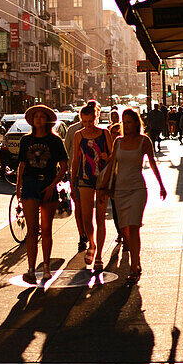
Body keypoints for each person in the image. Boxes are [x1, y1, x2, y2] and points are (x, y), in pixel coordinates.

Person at [100, 107, 166, 281]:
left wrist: (161, 185)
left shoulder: (144, 141)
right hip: (120, 190)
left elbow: (152, 163)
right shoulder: (118, 142)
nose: (126, 125)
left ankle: (135, 265)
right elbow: (112, 165)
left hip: (137, 189)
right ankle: (134, 257)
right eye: (124, 122)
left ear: (137, 123)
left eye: (129, 122)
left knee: (134, 226)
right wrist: (104, 187)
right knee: (124, 229)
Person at [16, 105, 68, 284]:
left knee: (46, 229)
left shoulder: (55, 141)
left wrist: (53, 185)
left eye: (41, 116)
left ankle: (46, 267)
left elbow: (64, 165)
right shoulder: (25, 140)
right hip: (30, 185)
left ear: (47, 119)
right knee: (32, 230)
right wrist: (18, 187)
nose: (38, 119)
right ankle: (31, 270)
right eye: (35, 116)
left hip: (48, 184)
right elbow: (22, 164)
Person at [70, 100, 113, 271]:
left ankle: (100, 256)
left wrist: (106, 156)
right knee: (86, 218)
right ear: (81, 120)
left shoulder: (105, 133)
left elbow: (113, 156)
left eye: (91, 121)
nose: (88, 125)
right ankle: (92, 244)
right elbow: (75, 160)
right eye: (85, 122)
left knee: (100, 218)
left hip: (102, 179)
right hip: (84, 178)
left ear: (96, 118)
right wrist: (73, 182)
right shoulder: (78, 135)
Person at [62, 113, 87, 252]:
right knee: (78, 203)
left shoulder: (99, 131)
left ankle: (88, 232)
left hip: (91, 174)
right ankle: (82, 235)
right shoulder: (73, 130)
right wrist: (66, 170)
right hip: (76, 172)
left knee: (87, 206)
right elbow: (66, 151)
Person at [107, 109, 124, 244]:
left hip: (125, 181)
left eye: (117, 133)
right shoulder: (107, 146)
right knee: (115, 209)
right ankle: (120, 232)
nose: (115, 135)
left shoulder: (124, 145)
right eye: (113, 133)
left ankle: (125, 233)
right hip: (113, 182)